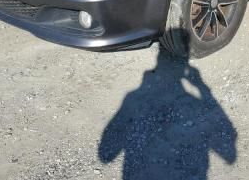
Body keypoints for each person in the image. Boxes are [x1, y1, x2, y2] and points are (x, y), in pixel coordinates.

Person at [99, 48, 237, 179]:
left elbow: (105, 155)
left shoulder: (132, 98)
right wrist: (202, 87)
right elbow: (229, 153)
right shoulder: (194, 102)